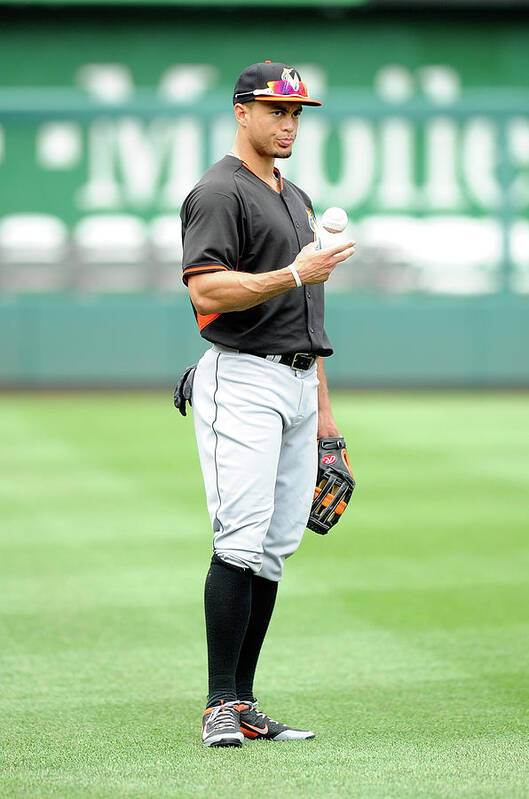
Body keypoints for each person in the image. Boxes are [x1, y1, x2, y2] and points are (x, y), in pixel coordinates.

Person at [180, 61, 355, 748]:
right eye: (273, 110)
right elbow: (206, 292)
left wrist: (327, 423)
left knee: (273, 551)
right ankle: (217, 702)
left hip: (297, 380)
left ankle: (246, 700)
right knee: (239, 538)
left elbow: (304, 316)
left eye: (295, 113)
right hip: (243, 380)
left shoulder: (297, 195)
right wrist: (294, 270)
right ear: (240, 113)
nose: (286, 124)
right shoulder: (218, 191)